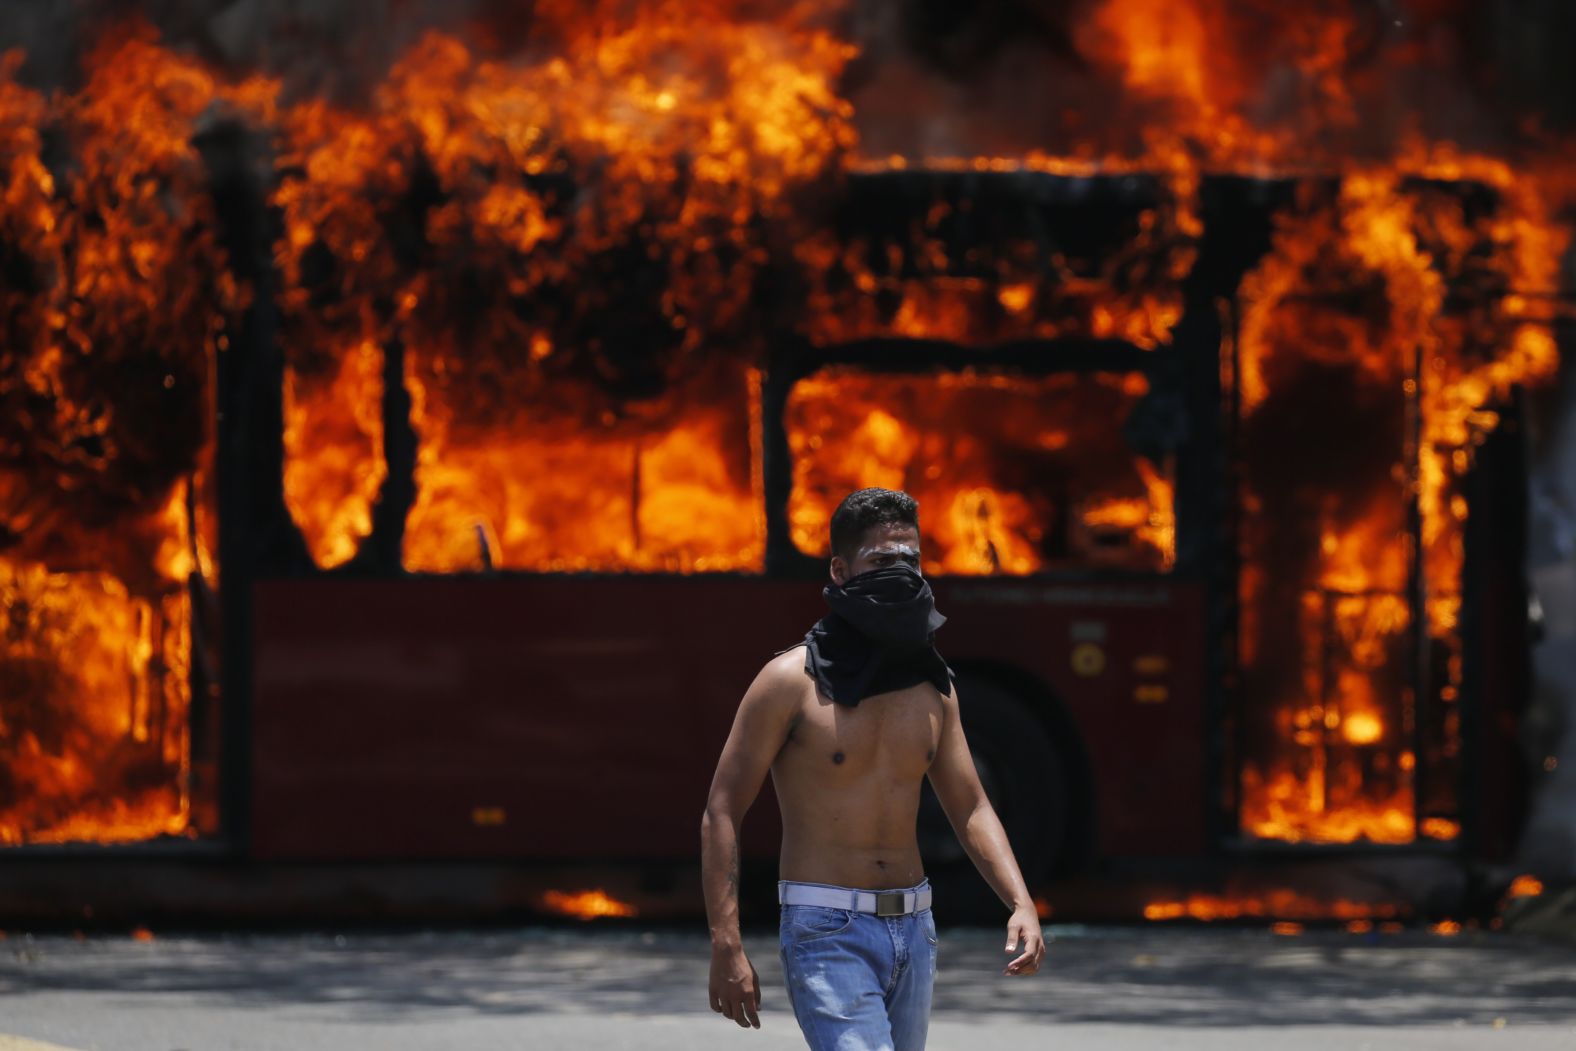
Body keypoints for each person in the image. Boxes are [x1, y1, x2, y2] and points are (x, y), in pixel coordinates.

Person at [700, 487, 1046, 1050]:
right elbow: (722, 810)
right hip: (825, 927)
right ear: (840, 570)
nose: (901, 573)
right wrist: (725, 943)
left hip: (914, 927)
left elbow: (971, 806)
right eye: (883, 561)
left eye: (911, 560)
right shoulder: (788, 683)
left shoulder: (936, 688)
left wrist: (1021, 902)